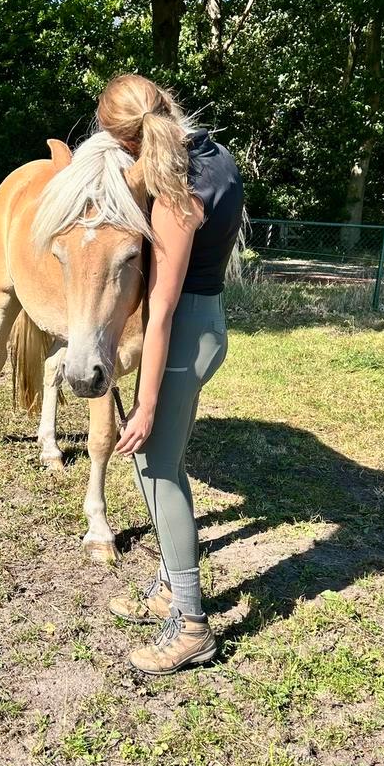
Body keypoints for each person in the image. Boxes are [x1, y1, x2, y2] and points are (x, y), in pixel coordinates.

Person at [99, 74, 244, 675]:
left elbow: (159, 314)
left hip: (183, 330)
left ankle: (190, 625)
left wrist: (147, 402)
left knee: (154, 463)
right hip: (206, 321)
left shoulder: (174, 195)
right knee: (168, 460)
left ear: (129, 144)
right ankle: (166, 586)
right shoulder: (214, 154)